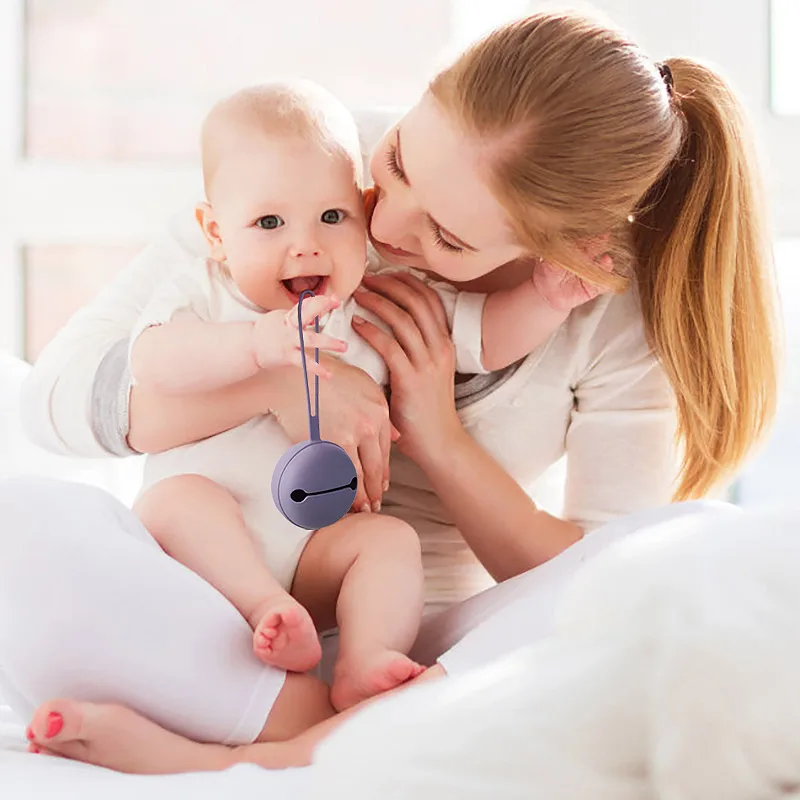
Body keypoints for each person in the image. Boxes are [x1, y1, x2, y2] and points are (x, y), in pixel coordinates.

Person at [9, 8, 778, 774]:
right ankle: (299, 726)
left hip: (420, 656)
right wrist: (276, 385)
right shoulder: (310, 168)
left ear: (567, 250)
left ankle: (262, 756)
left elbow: (610, 578)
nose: (385, 225)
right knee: (19, 530)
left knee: (673, 553)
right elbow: (55, 404)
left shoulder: (603, 310)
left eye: (449, 237)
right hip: (219, 623)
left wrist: (436, 435)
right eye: (401, 160)